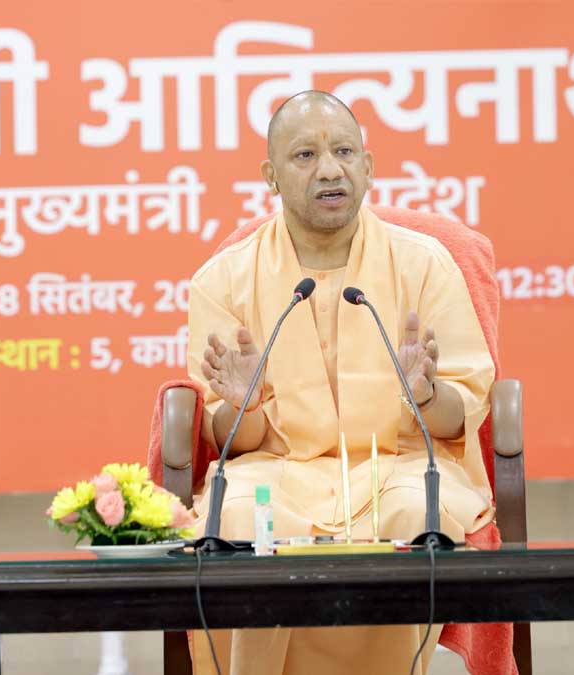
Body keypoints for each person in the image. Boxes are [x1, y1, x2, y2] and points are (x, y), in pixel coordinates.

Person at [186, 90, 496, 675]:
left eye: (344, 152)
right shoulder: (223, 280)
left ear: (369, 167)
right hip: (276, 473)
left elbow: (463, 412)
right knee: (238, 521)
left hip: (398, 467)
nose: (330, 169)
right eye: (305, 155)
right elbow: (233, 441)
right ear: (271, 176)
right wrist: (243, 405)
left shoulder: (426, 264)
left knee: (416, 514)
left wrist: (426, 395)